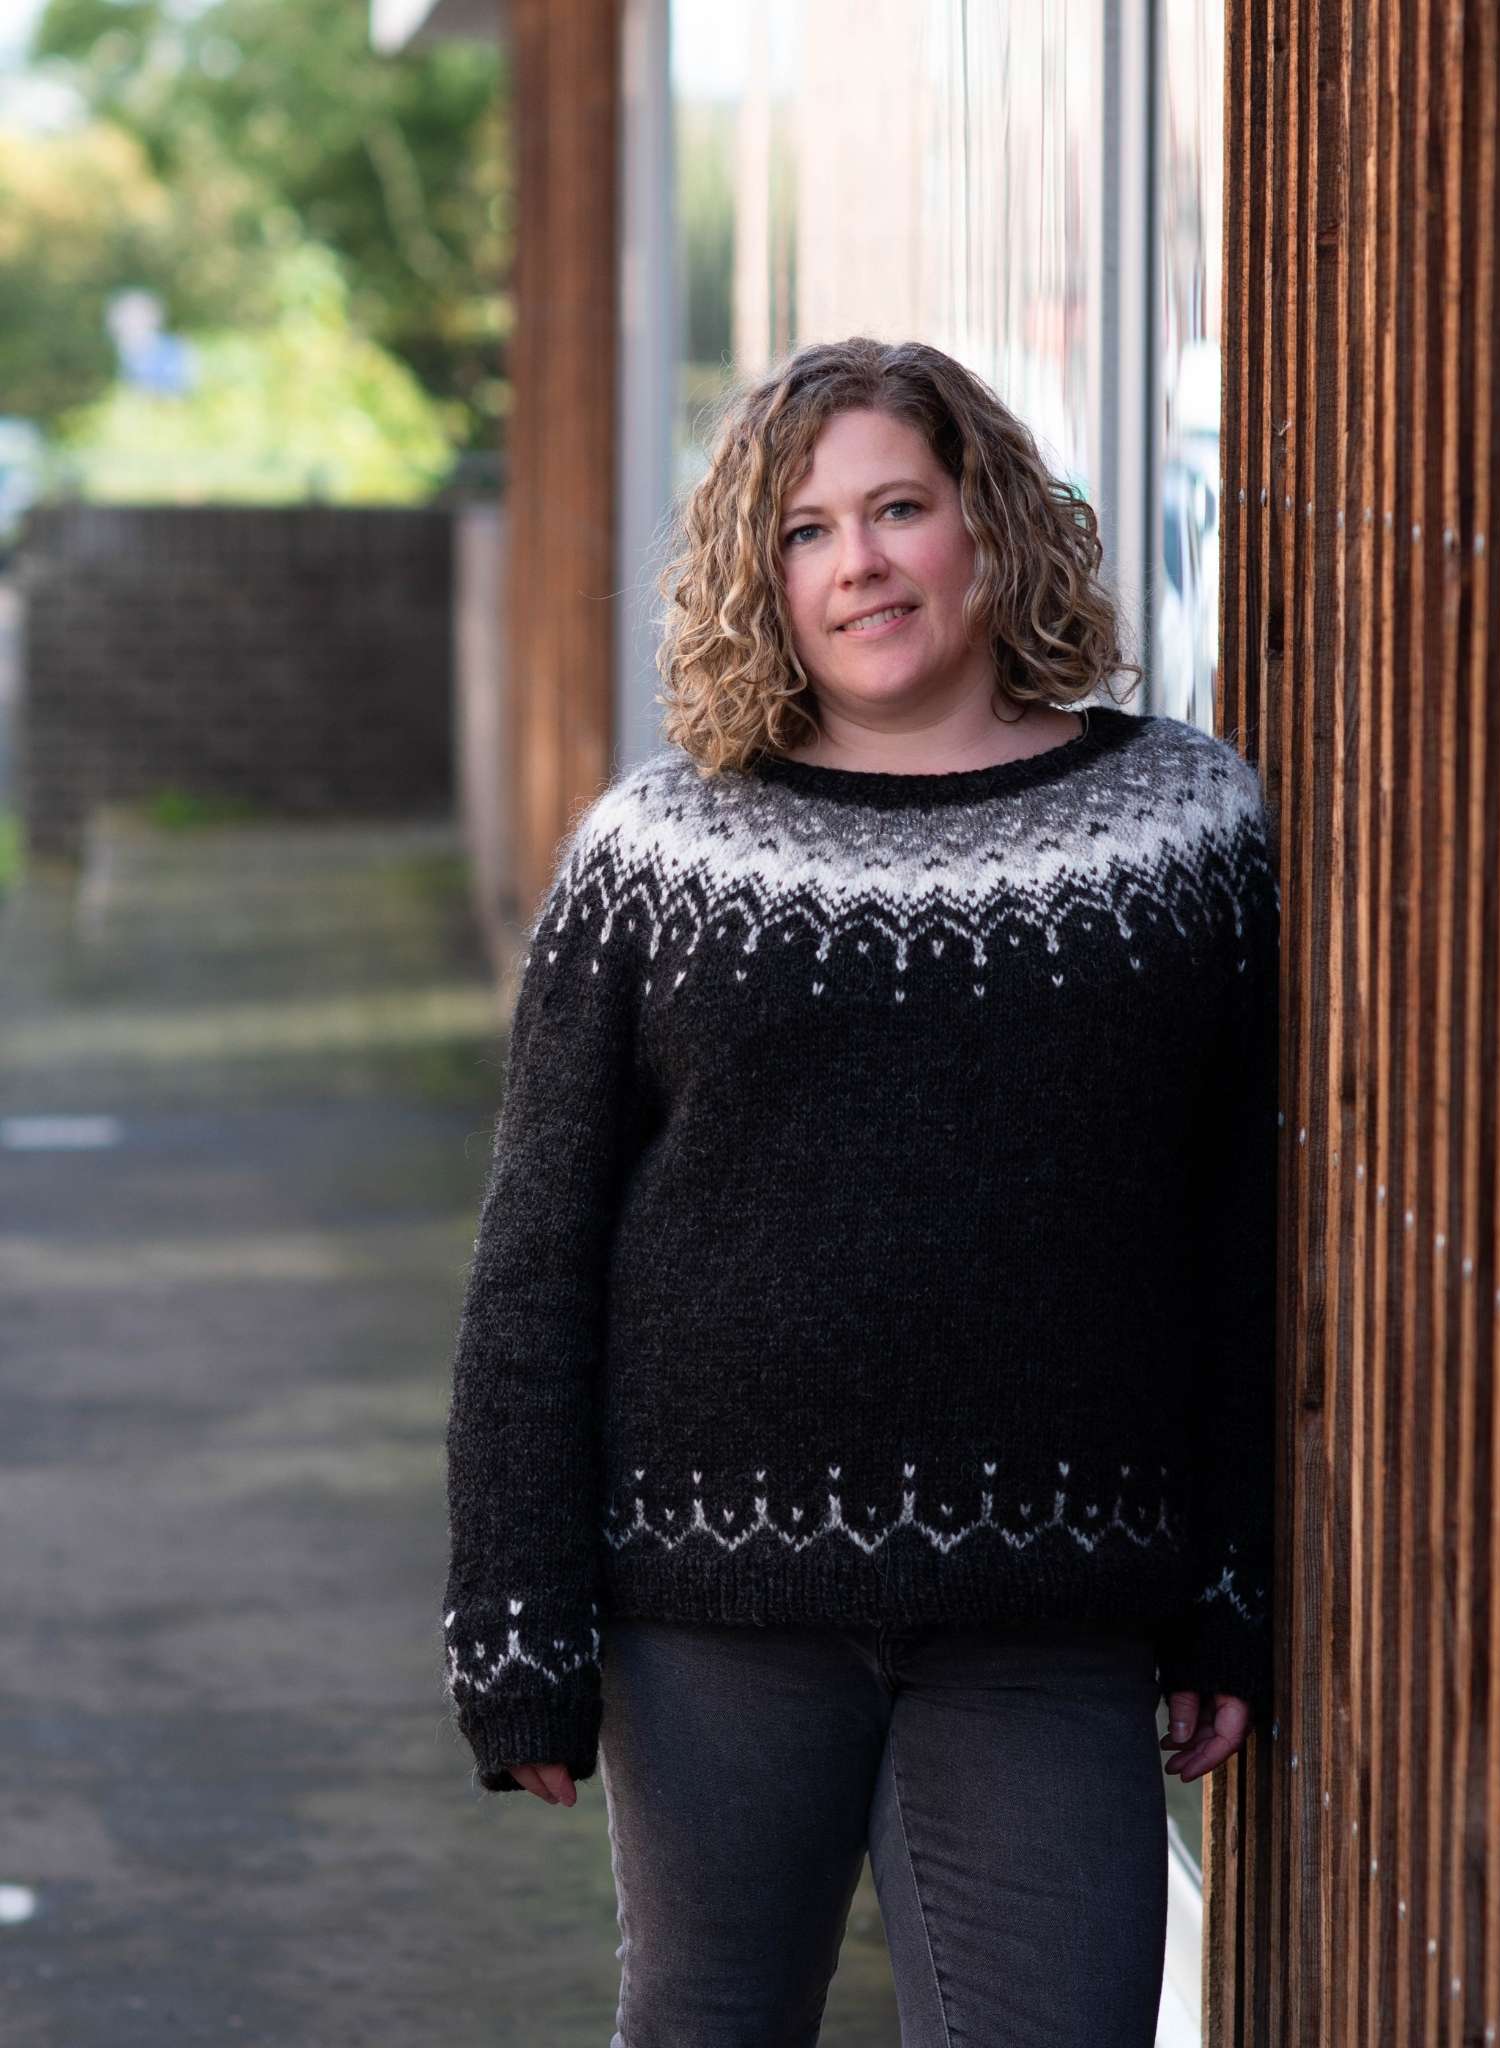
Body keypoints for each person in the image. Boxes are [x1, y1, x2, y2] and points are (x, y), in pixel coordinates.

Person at [440, 335, 1279, 2044]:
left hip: (1052, 1612)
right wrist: (518, 1614)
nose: (860, 564)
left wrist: (1229, 1591)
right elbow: (539, 1256)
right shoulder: (662, 854)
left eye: (899, 507)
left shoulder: (1186, 825)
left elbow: (1236, 1241)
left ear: (992, 525)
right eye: (808, 532)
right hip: (713, 1613)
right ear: (762, 579)